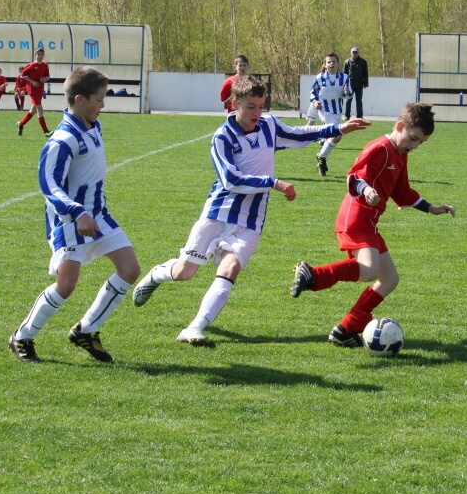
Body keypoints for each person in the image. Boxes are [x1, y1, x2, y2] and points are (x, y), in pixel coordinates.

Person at [132, 75, 371, 346]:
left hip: (252, 219)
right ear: (235, 104)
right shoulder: (222, 137)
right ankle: (155, 275)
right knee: (185, 273)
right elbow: (230, 180)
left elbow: (298, 133)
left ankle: (194, 328)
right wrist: (273, 182)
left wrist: (339, 128)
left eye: (261, 106)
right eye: (250, 107)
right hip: (219, 212)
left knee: (230, 268)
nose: (257, 113)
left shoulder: (268, 125)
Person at [290, 103, 456, 347]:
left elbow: (402, 192)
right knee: (368, 270)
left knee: (389, 279)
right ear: (400, 127)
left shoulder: (400, 154)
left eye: (420, 142)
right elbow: (354, 176)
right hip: (356, 216)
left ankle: (346, 329)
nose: (415, 145)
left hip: (369, 221)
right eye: (413, 138)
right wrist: (366, 190)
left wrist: (431, 208)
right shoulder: (380, 147)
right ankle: (313, 275)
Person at [8, 66, 140, 363]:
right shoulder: (62, 139)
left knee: (130, 269)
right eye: (99, 99)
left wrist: (91, 210)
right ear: (79, 99)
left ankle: (86, 329)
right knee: (66, 285)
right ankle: (22, 336)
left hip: (99, 215)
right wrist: (78, 212)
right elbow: (49, 184)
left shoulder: (93, 126)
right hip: (70, 221)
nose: (103, 105)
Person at [310, 52, 352, 176]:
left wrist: (347, 92)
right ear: (325, 64)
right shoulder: (320, 78)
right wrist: (315, 102)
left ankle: (321, 160)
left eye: (334, 61)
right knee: (337, 134)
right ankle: (322, 156)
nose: (331, 64)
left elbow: (349, 96)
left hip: (337, 111)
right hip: (325, 110)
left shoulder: (344, 78)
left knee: (333, 136)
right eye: (329, 62)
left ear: (338, 64)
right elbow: (313, 92)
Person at [17, 48, 53, 137]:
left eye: (41, 54)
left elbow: (47, 76)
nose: (40, 56)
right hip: (32, 90)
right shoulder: (31, 65)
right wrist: (32, 82)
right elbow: (22, 75)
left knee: (33, 110)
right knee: (40, 109)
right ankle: (45, 131)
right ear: (35, 55)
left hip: (40, 89)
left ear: (43, 55)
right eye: (38, 54)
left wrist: (44, 79)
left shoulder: (45, 64)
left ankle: (21, 124)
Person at [343, 47, 369, 119]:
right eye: (353, 52)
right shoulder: (347, 62)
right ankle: (347, 115)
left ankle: (360, 116)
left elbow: (365, 73)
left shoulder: (363, 62)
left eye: (356, 52)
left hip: (359, 84)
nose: (354, 54)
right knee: (348, 100)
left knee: (359, 101)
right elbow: (344, 74)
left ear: (358, 53)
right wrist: (344, 84)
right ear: (351, 53)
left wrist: (365, 83)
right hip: (349, 85)